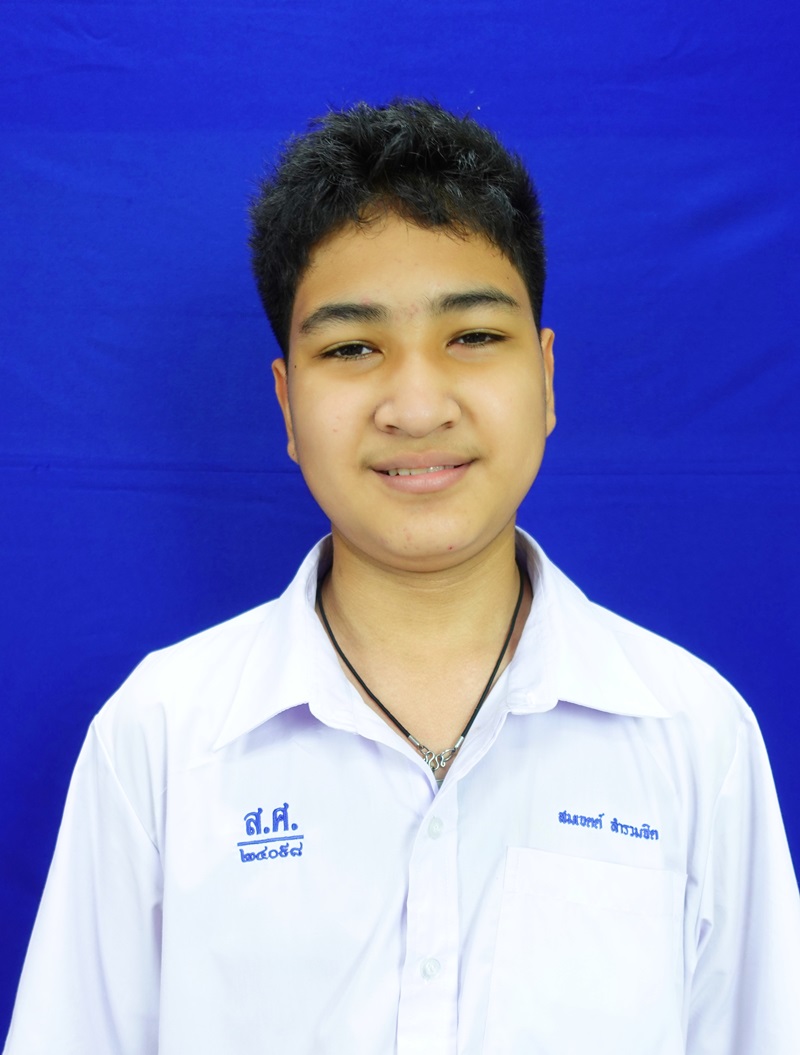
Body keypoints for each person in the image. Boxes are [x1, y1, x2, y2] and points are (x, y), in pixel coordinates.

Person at [4, 99, 799, 1055]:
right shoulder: (163, 737)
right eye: (352, 348)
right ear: (287, 403)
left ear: (546, 377)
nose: (416, 407)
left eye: (474, 336)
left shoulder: (694, 735)